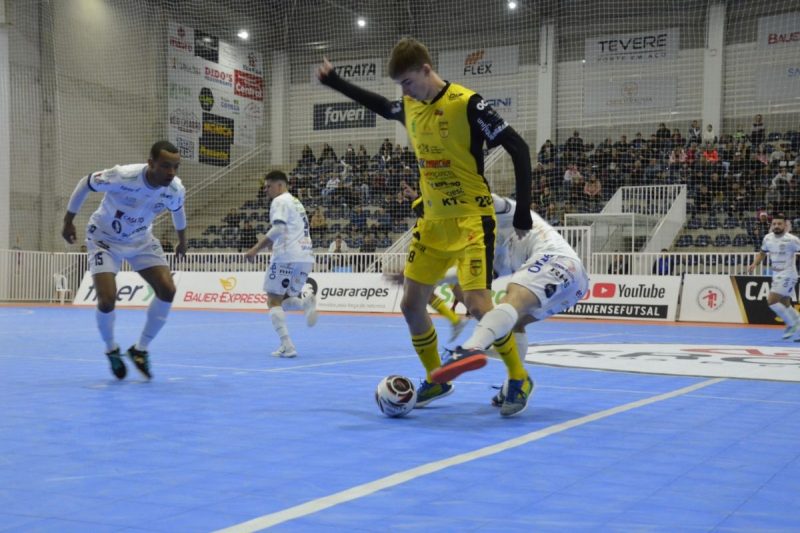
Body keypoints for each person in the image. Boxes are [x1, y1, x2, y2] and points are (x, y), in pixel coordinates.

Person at [317, 38, 532, 407]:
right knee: (411, 305)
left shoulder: (467, 103)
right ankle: (437, 379)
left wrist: (523, 211)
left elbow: (519, 147)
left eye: (408, 82)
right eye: (400, 86)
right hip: (432, 224)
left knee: (479, 305)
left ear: (426, 70)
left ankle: (518, 377)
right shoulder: (410, 107)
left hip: (471, 219)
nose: (405, 92)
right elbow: (382, 105)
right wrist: (335, 82)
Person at [449, 194, 589, 416]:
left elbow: (481, 199)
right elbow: (467, 282)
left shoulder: (498, 210)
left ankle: (471, 347)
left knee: (511, 298)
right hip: (576, 287)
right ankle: (516, 383)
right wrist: (423, 278)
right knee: (514, 323)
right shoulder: (494, 254)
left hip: (558, 260)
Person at [61, 140, 186, 380]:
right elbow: (85, 183)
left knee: (168, 289)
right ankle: (111, 349)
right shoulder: (122, 176)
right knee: (107, 300)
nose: (171, 172)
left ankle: (140, 350)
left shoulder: (175, 188)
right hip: (104, 239)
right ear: (151, 163)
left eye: (175, 166)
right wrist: (68, 221)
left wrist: (183, 240)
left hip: (141, 241)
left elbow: (178, 210)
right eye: (165, 166)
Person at [244, 170, 317, 358]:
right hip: (305, 256)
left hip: (286, 256)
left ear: (280, 185)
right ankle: (305, 303)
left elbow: (279, 227)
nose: (266, 190)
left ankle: (288, 345)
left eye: (268, 186)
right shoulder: (296, 202)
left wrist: (255, 249)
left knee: (273, 300)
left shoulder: (280, 201)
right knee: (285, 300)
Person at [748, 214, 800, 340]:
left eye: (779, 224)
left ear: (785, 225)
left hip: (788, 273)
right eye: (774, 224)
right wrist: (754, 263)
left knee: (772, 301)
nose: (776, 226)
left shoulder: (792, 240)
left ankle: (792, 324)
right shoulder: (767, 238)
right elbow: (762, 253)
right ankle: (795, 325)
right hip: (776, 274)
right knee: (785, 302)